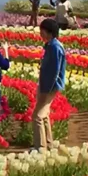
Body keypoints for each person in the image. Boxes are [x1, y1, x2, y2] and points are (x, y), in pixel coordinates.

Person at [33, 18, 67, 150]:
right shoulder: (51, 45)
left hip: (49, 86)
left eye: (42, 31)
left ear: (50, 32)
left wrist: (46, 90)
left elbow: (54, 71)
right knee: (44, 114)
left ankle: (40, 147)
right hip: (48, 84)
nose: (40, 34)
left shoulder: (54, 47)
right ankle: (48, 144)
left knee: (37, 116)